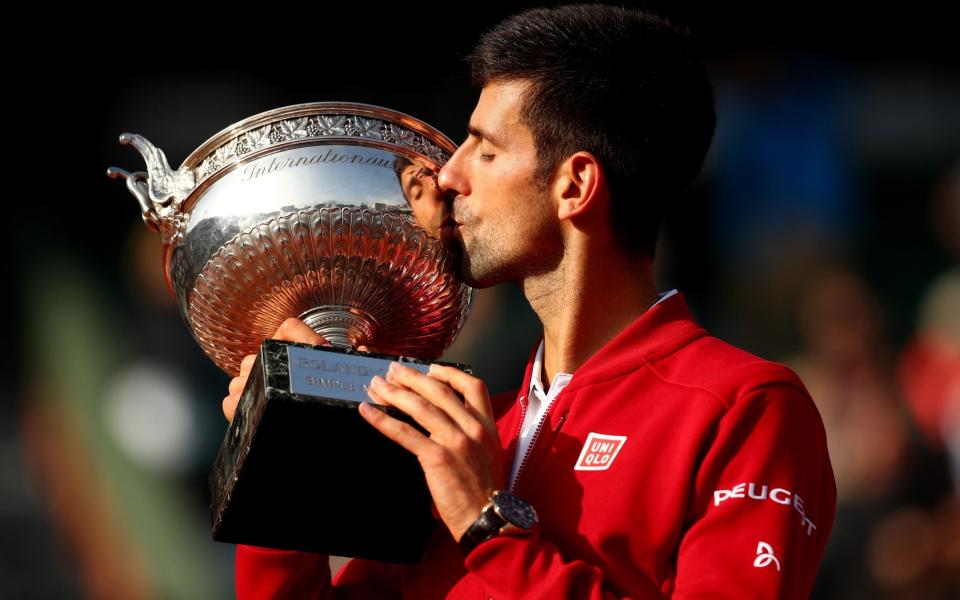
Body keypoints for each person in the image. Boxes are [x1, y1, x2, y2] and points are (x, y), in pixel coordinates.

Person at [222, 5, 836, 598]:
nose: (448, 176)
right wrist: (290, 447)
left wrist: (488, 526)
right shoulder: (469, 428)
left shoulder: (743, 410)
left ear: (574, 185)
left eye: (484, 150)